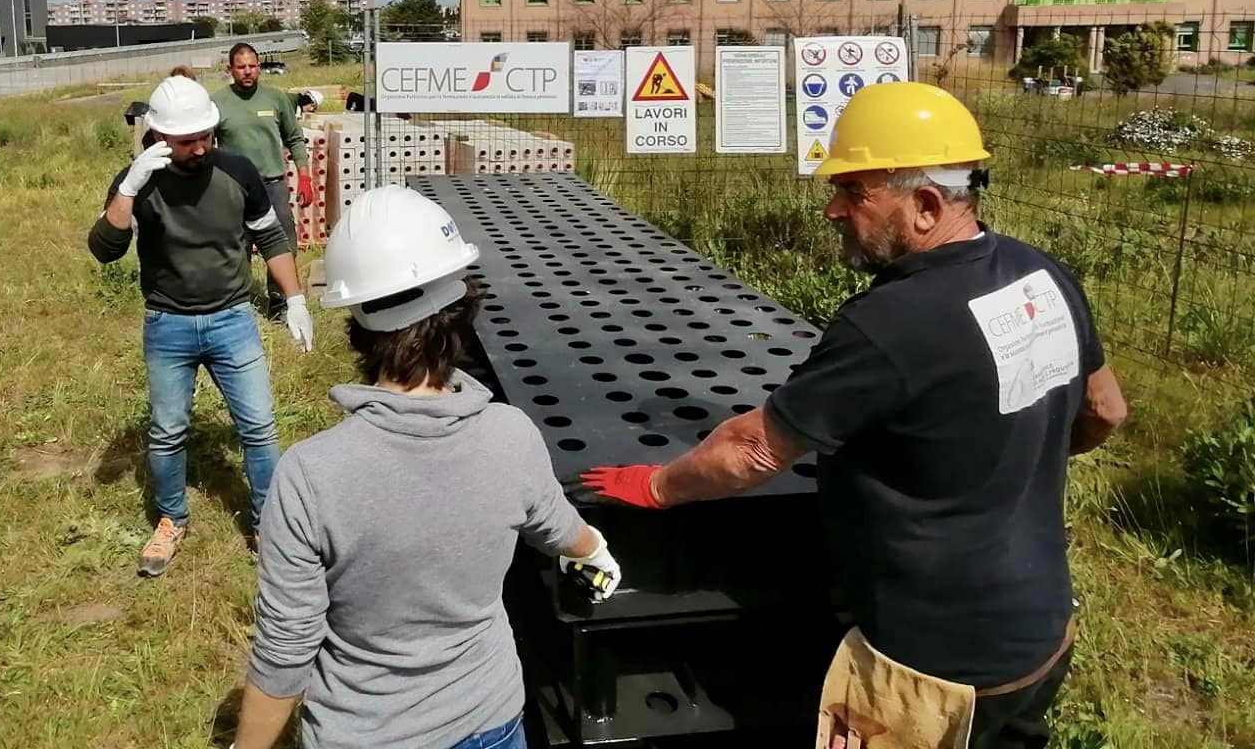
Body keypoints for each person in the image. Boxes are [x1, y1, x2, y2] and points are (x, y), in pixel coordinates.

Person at [581, 82, 1128, 749]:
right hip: (1040, 630)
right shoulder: (1039, 273)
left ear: (925, 205)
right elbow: (1105, 409)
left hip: (931, 662)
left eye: (856, 192)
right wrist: (1003, 459)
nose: (832, 210)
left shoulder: (892, 324)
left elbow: (753, 449)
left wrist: (655, 486)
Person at [232, 186, 621, 749]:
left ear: (357, 325)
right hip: (491, 721)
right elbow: (558, 528)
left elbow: (286, 646)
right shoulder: (510, 436)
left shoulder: (310, 475)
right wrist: (593, 552)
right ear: (463, 311)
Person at [88, 73, 314, 576]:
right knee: (168, 431)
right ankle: (172, 519)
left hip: (233, 318)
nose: (200, 148)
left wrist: (295, 299)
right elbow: (105, 249)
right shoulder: (140, 182)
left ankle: (265, 523)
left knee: (258, 427)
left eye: (205, 136)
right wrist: (128, 187)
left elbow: (271, 237)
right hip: (168, 323)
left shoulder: (238, 171)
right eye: (187, 140)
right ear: (159, 138)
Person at [212, 43, 314, 318]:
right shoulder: (217, 103)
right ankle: (238, 302)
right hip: (233, 188)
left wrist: (305, 177)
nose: (248, 72)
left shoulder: (276, 99)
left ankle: (279, 301)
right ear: (230, 69)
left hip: (272, 186)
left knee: (284, 244)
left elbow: (294, 138)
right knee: (237, 246)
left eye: (252, 66)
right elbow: (206, 147)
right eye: (241, 67)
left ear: (259, 66)